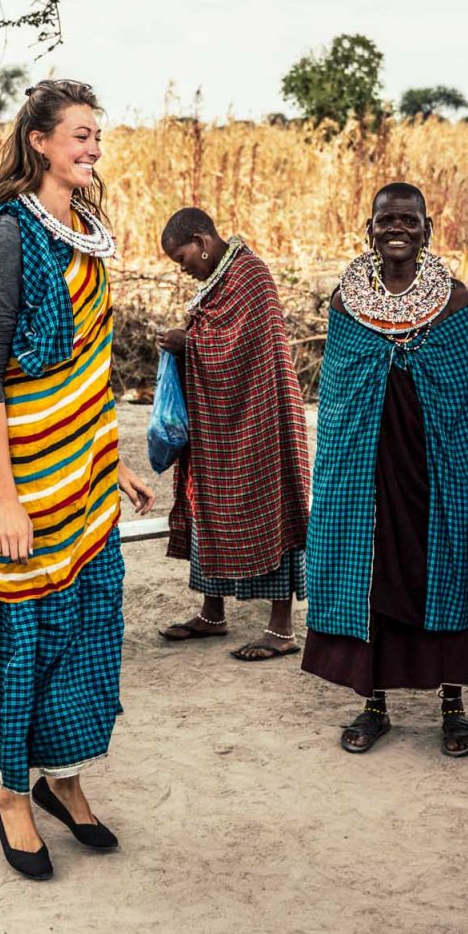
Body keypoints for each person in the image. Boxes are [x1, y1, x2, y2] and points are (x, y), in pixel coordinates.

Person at [0, 79, 155, 881]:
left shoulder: (86, 228)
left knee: (87, 635)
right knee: (23, 641)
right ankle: (11, 794)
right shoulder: (11, 234)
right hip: (22, 477)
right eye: (79, 135)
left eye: (98, 137)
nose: (92, 148)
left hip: (81, 474)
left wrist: (112, 468)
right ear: (39, 140)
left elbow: (90, 366)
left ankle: (65, 781)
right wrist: (6, 498)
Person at [302, 183, 468, 756]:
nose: (397, 229)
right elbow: (337, 394)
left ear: (427, 229)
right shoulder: (345, 302)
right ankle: (373, 703)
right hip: (366, 467)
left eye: (409, 220)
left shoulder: (454, 300)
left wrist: (407, 370)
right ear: (370, 228)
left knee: (440, 569)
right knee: (371, 575)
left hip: (432, 464)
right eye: (387, 220)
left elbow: (460, 396)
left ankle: (452, 706)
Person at [157, 208, 310, 662]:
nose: (184, 269)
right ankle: (211, 614)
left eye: (184, 259)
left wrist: (192, 343)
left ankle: (281, 629)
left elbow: (242, 345)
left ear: (203, 241)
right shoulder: (221, 278)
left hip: (262, 414)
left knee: (271, 506)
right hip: (219, 415)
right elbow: (218, 333)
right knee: (207, 503)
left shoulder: (250, 274)